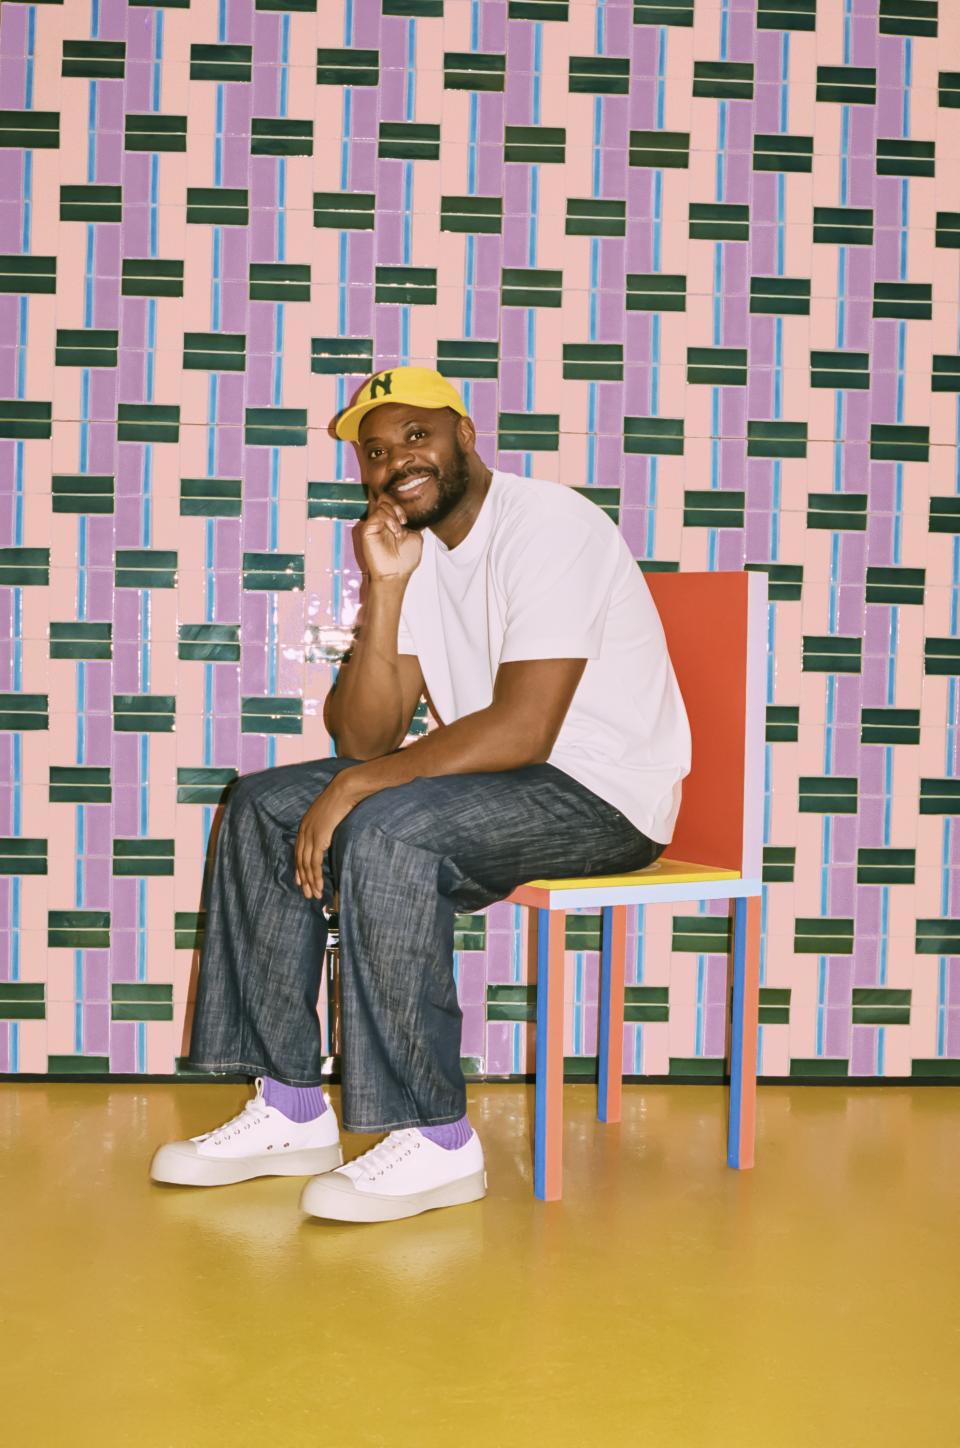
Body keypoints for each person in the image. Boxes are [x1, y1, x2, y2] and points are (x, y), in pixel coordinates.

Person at [150, 367, 691, 1222]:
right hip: (505, 784)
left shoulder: (546, 522)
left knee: (388, 829)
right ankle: (290, 1108)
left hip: (602, 795)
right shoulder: (418, 554)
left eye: (415, 434)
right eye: (374, 449)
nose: (396, 459)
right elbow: (361, 738)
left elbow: (523, 730)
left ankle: (436, 1139)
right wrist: (387, 588)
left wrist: (362, 788)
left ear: (463, 435)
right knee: (262, 806)